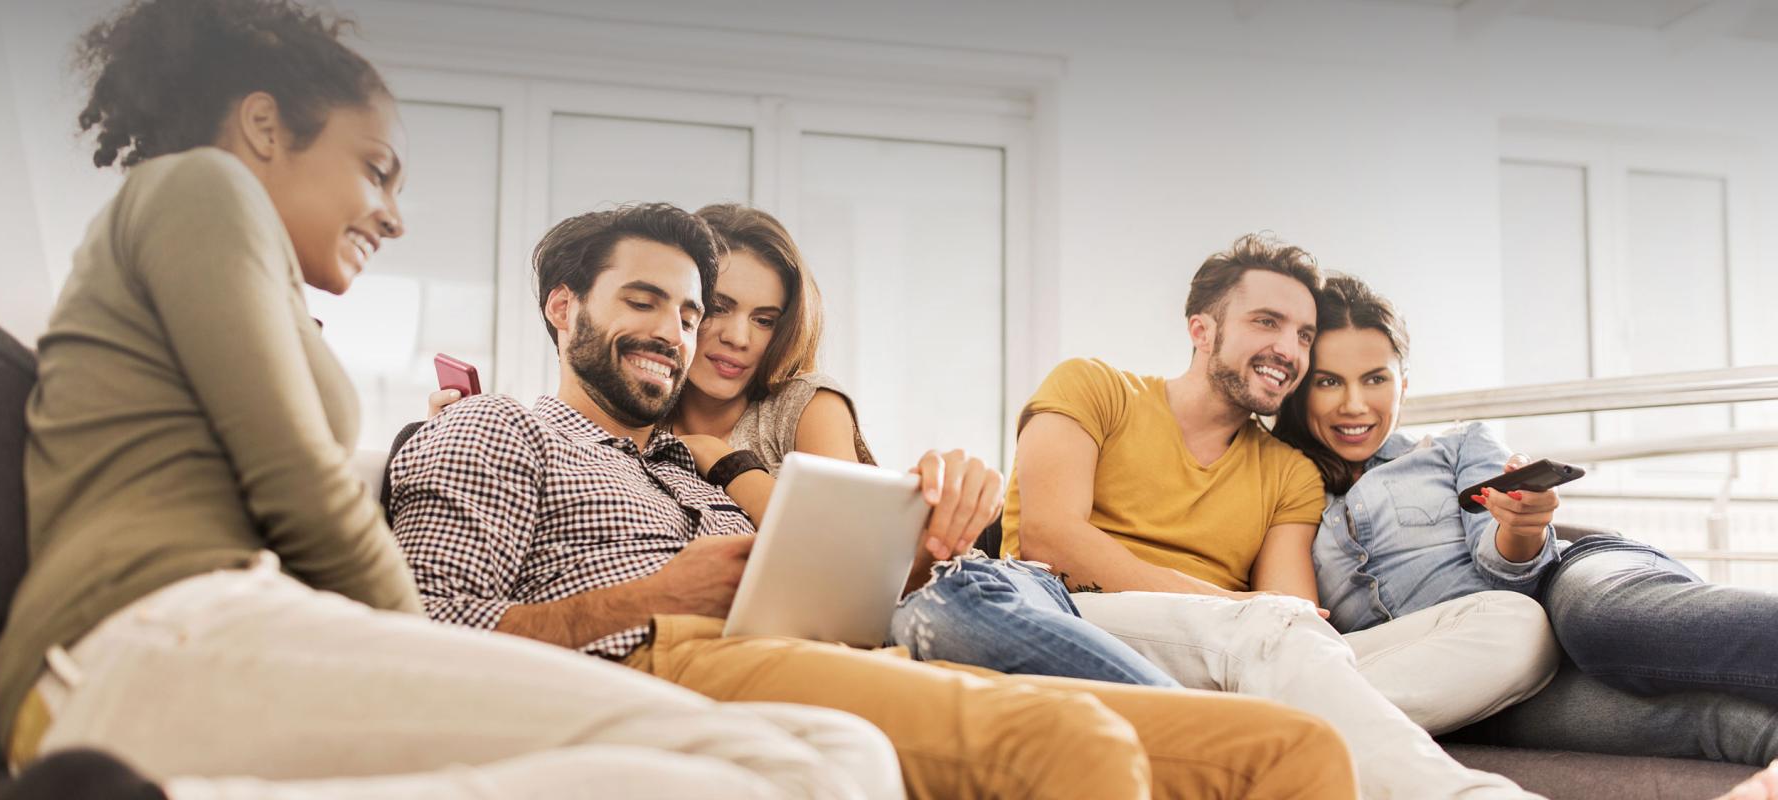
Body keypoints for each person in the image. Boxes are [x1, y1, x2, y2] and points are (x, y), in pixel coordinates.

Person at [0, 1, 906, 797]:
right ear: (264, 127)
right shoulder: (199, 185)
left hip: (242, 631)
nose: (393, 215)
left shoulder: (269, 298)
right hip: (143, 639)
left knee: (844, 754)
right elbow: (296, 482)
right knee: (804, 775)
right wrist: (438, 646)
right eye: (377, 169)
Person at [390, 203, 1358, 799]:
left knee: (1290, 749)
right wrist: (650, 598)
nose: (679, 332)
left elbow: (861, 592)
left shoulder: (704, 462)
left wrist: (929, 543)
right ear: (565, 307)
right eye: (644, 301)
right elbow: (429, 635)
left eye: (691, 311)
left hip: (841, 650)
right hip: (667, 657)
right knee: (1070, 740)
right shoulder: (494, 428)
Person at [971, 234, 1556, 798]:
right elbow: (1051, 541)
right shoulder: (1094, 388)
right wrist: (1241, 611)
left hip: (1229, 658)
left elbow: (1299, 622)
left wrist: (1262, 621)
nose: (1289, 349)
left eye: (1303, 334)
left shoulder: (1288, 471)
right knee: (1269, 629)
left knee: (1517, 624)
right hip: (1072, 618)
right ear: (1202, 329)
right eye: (1267, 322)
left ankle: (1235, 734)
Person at [1270, 272, 1778, 768]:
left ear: (1402, 383)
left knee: (1598, 623)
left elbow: (1506, 566)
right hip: (1488, 679)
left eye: (1375, 379)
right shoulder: (1281, 493)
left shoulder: (1455, 446)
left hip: (1569, 581)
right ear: (1299, 389)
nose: (1354, 404)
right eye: (1329, 382)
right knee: (1722, 724)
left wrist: (1520, 527)